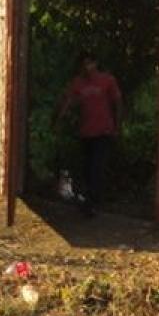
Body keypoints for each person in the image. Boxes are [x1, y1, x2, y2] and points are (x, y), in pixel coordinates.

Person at [53, 50, 122, 215]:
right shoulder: (78, 83)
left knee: (97, 167)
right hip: (86, 132)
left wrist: (117, 126)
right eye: (84, 64)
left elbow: (118, 102)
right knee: (87, 168)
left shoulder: (107, 80)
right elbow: (68, 102)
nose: (87, 67)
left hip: (103, 131)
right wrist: (59, 121)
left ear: (96, 63)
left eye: (90, 63)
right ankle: (88, 199)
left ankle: (93, 202)